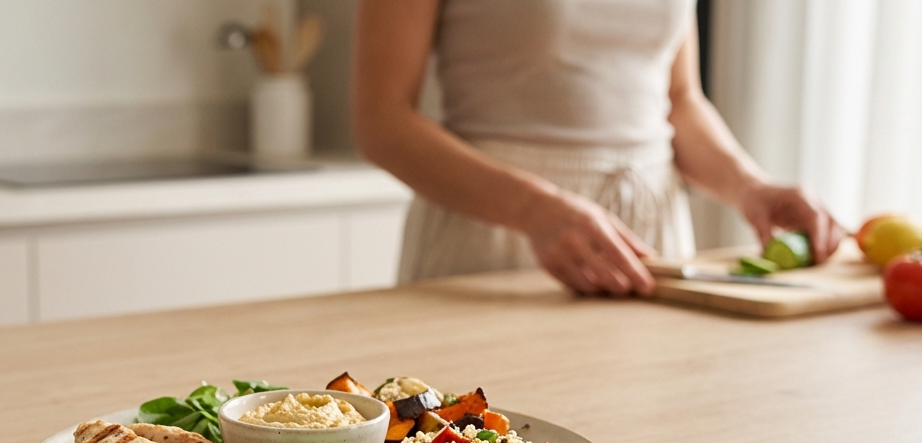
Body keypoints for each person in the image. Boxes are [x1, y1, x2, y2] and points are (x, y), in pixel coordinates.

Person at [353, 0, 846, 296]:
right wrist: (533, 209)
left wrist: (752, 188)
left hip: (652, 238)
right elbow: (382, 122)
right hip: (497, 236)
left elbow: (677, 101)